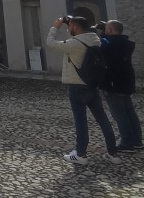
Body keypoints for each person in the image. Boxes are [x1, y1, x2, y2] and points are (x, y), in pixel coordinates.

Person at [46, 15, 122, 165]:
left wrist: (55, 27)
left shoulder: (74, 44)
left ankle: (80, 154)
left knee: (80, 121)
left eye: (70, 26)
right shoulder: (96, 39)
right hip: (92, 85)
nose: (68, 28)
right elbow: (80, 36)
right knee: (103, 119)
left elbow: (51, 43)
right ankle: (112, 153)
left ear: (74, 26)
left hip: (76, 86)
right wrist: (71, 23)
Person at [98, 20, 143, 153]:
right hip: (126, 81)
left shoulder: (108, 43)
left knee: (119, 114)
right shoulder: (126, 43)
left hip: (113, 83)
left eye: (106, 28)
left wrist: (98, 34)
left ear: (110, 29)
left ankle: (127, 143)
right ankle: (137, 141)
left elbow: (99, 47)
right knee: (130, 112)